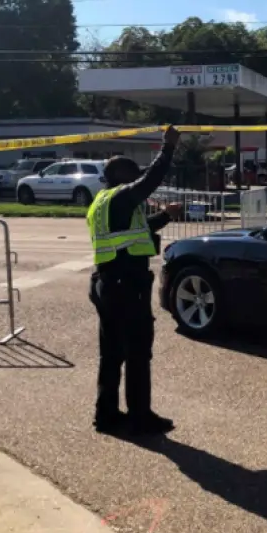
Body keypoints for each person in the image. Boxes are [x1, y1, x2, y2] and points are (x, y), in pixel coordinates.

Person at [87, 125, 183, 436]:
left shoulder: (102, 202)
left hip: (107, 284)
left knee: (112, 354)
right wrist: (168, 147)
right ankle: (141, 418)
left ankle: (106, 416)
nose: (137, 182)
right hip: (127, 286)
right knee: (138, 353)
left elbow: (134, 232)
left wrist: (164, 216)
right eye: (133, 177)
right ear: (123, 178)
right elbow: (150, 180)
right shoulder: (122, 196)